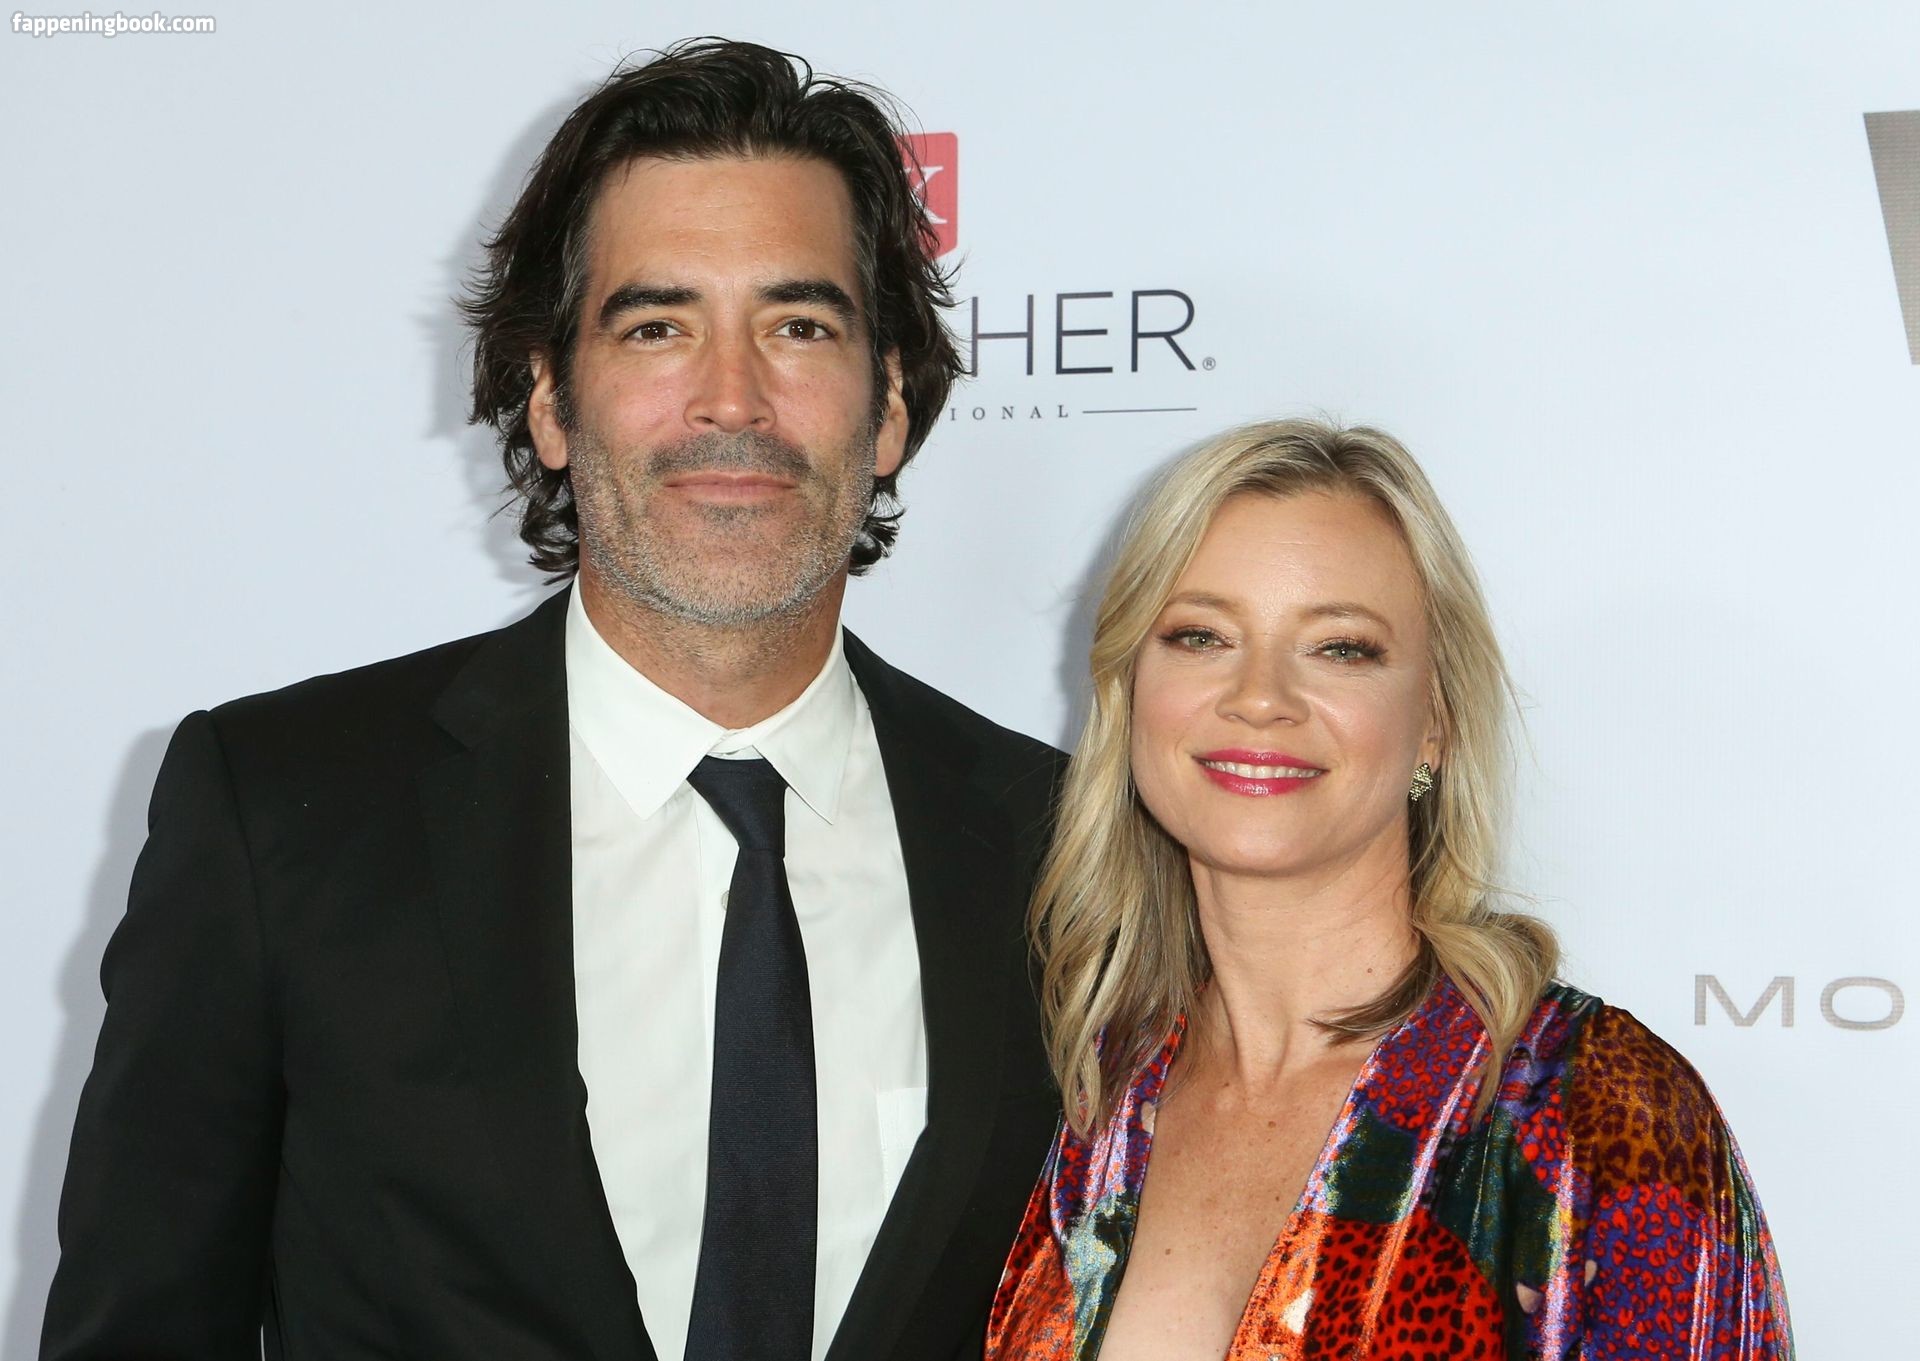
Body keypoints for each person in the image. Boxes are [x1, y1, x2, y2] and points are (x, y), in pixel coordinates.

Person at [41, 39, 1064, 1361]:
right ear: (549, 400)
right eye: (657, 326)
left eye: (800, 326)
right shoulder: (284, 812)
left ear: (889, 408)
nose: (732, 397)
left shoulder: (1054, 845)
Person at [987, 419, 1792, 1359]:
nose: (1259, 696)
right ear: (1129, 693)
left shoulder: (1595, 1113)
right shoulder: (1085, 1093)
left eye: (1340, 648)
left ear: (1434, 722)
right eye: (1200, 636)